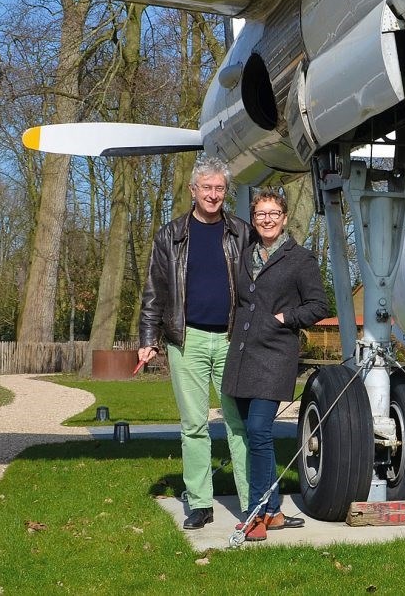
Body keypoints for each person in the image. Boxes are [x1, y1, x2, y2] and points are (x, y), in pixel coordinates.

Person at [138, 154, 250, 530]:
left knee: (238, 423)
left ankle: (252, 502)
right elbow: (155, 291)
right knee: (194, 425)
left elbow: (260, 285)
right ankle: (200, 503)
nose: (213, 194)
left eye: (220, 188)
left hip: (232, 341)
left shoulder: (241, 232)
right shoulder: (170, 236)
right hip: (187, 342)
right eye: (207, 188)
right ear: (193, 190)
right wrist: (148, 338)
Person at [222, 187, 329, 541]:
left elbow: (318, 306)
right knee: (253, 435)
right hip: (241, 355)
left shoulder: (301, 259)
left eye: (273, 214)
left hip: (273, 356)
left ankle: (255, 515)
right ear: (254, 219)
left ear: (284, 218)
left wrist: (284, 318)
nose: (266, 219)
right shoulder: (245, 254)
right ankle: (273, 511)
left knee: (259, 432)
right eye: (260, 214)